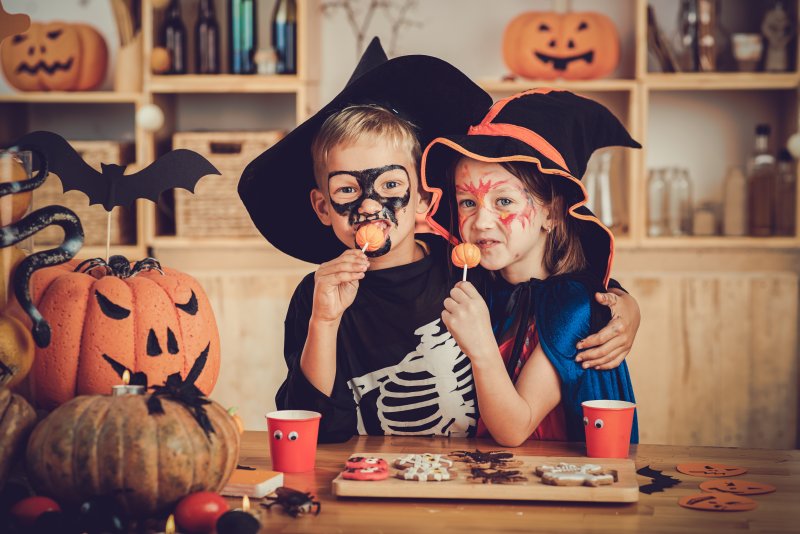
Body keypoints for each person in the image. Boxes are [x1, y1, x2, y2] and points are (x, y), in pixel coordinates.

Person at [239, 40, 639, 443]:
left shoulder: (469, 270)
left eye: (390, 185)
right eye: (347, 191)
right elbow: (314, 433)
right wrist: (323, 322)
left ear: (424, 200)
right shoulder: (318, 297)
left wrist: (621, 304)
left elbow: (552, 291)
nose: (370, 206)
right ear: (323, 207)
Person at [421, 88, 640, 447]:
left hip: (559, 486)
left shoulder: (573, 306)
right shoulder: (479, 284)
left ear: (552, 213)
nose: (481, 222)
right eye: (467, 202)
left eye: (503, 201)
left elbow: (514, 428)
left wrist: (480, 347)